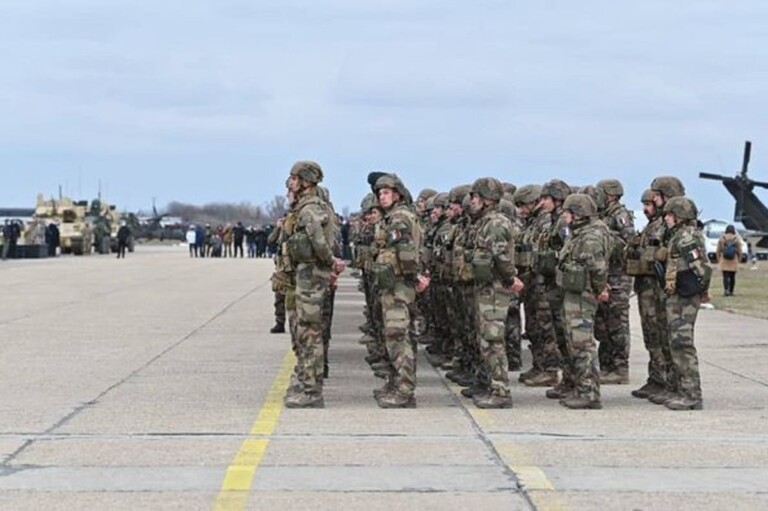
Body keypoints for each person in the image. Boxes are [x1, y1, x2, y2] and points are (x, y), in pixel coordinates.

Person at [371, 172, 428, 408]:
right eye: (380, 193)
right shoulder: (394, 217)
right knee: (397, 335)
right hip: (394, 284)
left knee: (398, 336)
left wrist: (414, 277)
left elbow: (405, 253)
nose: (382, 197)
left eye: (386, 193)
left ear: (397, 194)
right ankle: (397, 383)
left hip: (399, 285)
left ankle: (404, 391)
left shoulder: (399, 219)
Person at [466, 178, 524, 408]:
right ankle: (491, 385)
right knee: (485, 339)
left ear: (488, 199)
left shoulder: (496, 223)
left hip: (495, 289)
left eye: (476, 197)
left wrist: (510, 279)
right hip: (485, 287)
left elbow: (501, 257)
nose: (472, 201)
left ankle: (501, 392)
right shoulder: (484, 222)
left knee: (493, 339)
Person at [282, 161, 335, 408]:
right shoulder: (301, 208)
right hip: (304, 276)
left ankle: (312, 391)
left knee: (310, 333)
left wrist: (330, 262)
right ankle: (305, 380)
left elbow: (320, 243)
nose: (289, 183)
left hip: (311, 277)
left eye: (293, 178)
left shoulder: (310, 209)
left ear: (305, 181)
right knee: (303, 331)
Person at [556, 193, 610, 409]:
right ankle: (581, 388)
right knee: (574, 343)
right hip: (572, 293)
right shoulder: (578, 235)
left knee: (583, 344)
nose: (565, 216)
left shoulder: (590, 238)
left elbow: (598, 269)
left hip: (583, 296)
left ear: (578, 215)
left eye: (568, 212)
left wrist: (598, 290)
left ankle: (589, 393)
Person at [660, 196, 710, 410]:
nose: (666, 219)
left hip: (685, 297)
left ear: (680, 217)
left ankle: (691, 394)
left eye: (670, 215)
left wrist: (701, 291)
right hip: (677, 294)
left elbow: (702, 269)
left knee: (682, 343)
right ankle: (683, 390)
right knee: (675, 342)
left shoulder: (687, 237)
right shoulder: (677, 236)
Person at [716, 225, 742, 296]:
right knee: (732, 277)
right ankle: (731, 291)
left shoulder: (722, 238)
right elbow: (739, 250)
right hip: (733, 260)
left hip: (724, 260)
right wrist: (739, 259)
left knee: (725, 276)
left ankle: (726, 290)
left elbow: (718, 250)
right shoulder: (736, 238)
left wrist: (718, 259)